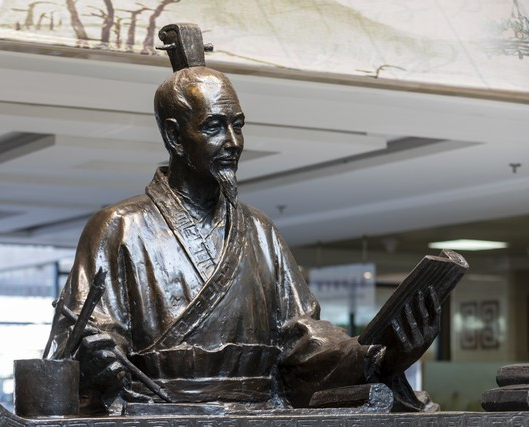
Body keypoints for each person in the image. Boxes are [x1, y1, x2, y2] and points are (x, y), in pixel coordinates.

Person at [46, 24, 440, 416]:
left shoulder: (260, 231)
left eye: (238, 125)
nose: (233, 142)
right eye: (213, 127)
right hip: (160, 416)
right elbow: (82, 336)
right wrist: (96, 355)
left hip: (260, 415)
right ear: (175, 137)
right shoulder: (119, 227)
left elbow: (302, 341)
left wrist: (380, 357)